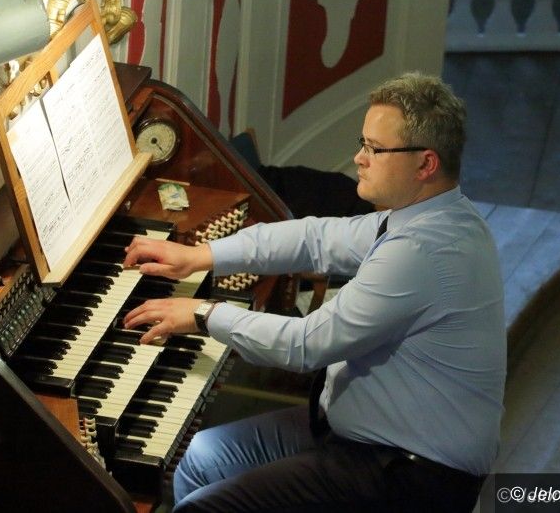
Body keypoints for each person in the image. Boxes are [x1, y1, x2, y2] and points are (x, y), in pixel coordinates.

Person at [122, 72, 506, 512]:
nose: (359, 158)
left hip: (408, 473)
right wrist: (201, 255)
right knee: (202, 458)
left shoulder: (422, 251)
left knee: (202, 508)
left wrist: (204, 314)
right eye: (362, 143)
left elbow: (305, 345)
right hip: (360, 431)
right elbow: (315, 239)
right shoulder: (434, 215)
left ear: (425, 165)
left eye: (374, 149)